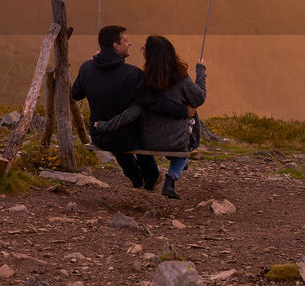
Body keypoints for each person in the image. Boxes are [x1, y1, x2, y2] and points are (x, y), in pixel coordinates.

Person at [71, 25, 190, 191]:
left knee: (119, 138)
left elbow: (76, 94)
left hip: (98, 134)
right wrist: (184, 111)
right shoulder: (132, 74)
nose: (130, 44)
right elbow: (154, 103)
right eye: (126, 40)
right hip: (127, 138)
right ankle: (150, 179)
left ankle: (134, 176)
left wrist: (93, 64)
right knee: (137, 133)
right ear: (115, 46)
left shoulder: (86, 68)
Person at [95, 35, 205, 199]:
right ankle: (171, 179)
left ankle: (171, 164)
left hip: (148, 141)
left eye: (143, 49)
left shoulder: (143, 79)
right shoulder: (181, 78)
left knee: (186, 119)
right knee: (193, 118)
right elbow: (200, 97)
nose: (141, 51)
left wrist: (105, 126)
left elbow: (133, 111)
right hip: (176, 142)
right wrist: (200, 70)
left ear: (150, 55)